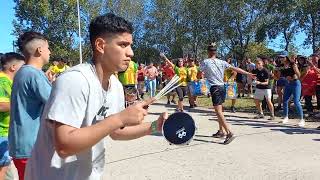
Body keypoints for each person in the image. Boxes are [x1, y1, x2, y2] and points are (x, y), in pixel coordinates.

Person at [24, 13, 167, 180]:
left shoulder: (115, 86)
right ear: (100, 45)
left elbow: (116, 132)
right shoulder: (74, 80)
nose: (131, 53)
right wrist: (120, 118)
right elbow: (64, 145)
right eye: (123, 45)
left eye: (130, 45)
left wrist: (156, 126)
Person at [8, 32, 52, 180]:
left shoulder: (22, 73)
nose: (50, 51)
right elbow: (56, 103)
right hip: (32, 146)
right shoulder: (34, 74)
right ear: (39, 50)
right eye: (48, 48)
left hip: (20, 144)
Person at [199, 43, 255, 144]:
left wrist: (203, 77)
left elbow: (200, 73)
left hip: (214, 87)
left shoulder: (205, 62)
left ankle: (229, 133)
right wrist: (248, 73)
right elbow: (235, 69)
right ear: (215, 52)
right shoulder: (222, 62)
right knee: (220, 110)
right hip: (222, 86)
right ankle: (221, 131)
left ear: (208, 52)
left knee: (218, 111)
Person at [0, 53, 25, 179]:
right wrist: (23, 104)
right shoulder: (3, 81)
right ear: (14, 67)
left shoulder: (8, 80)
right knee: (3, 171)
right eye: (23, 67)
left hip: (6, 133)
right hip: (2, 133)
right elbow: (1, 105)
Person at [280, 53, 305, 127]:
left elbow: (299, 74)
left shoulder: (293, 64)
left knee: (296, 101)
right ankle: (285, 117)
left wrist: (294, 76)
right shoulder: (282, 66)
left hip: (295, 83)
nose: (280, 58)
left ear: (286, 57)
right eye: (280, 57)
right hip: (288, 84)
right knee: (285, 100)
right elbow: (282, 75)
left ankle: (302, 119)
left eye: (282, 57)